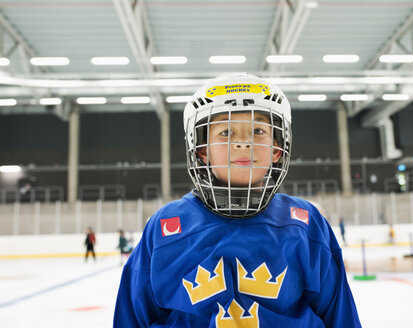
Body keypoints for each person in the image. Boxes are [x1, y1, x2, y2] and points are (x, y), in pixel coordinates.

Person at [114, 73, 361, 327]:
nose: (243, 143)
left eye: (258, 130)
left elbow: (339, 316)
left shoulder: (304, 223)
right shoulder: (166, 227)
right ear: (202, 150)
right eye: (225, 132)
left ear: (277, 149)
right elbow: (132, 316)